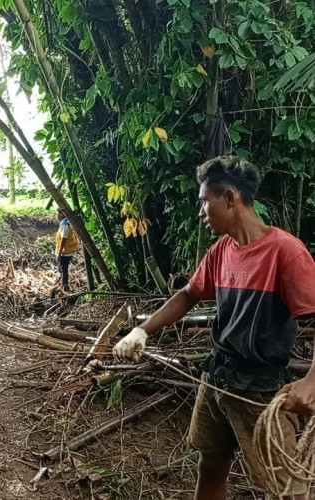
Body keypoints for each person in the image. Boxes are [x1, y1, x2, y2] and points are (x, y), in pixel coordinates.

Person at [112, 156, 315, 500]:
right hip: (217, 376)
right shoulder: (222, 250)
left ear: (231, 198)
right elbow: (189, 294)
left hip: (258, 388)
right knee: (211, 464)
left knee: (285, 490)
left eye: (205, 201)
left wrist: (311, 382)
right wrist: (142, 330)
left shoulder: (286, 253)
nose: (201, 211)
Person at [55, 207, 80, 292]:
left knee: (63, 269)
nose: (56, 216)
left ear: (61, 214)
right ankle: (64, 284)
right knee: (62, 268)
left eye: (57, 214)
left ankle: (65, 287)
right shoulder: (66, 222)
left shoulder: (65, 224)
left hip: (65, 252)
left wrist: (59, 253)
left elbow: (64, 239)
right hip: (67, 250)